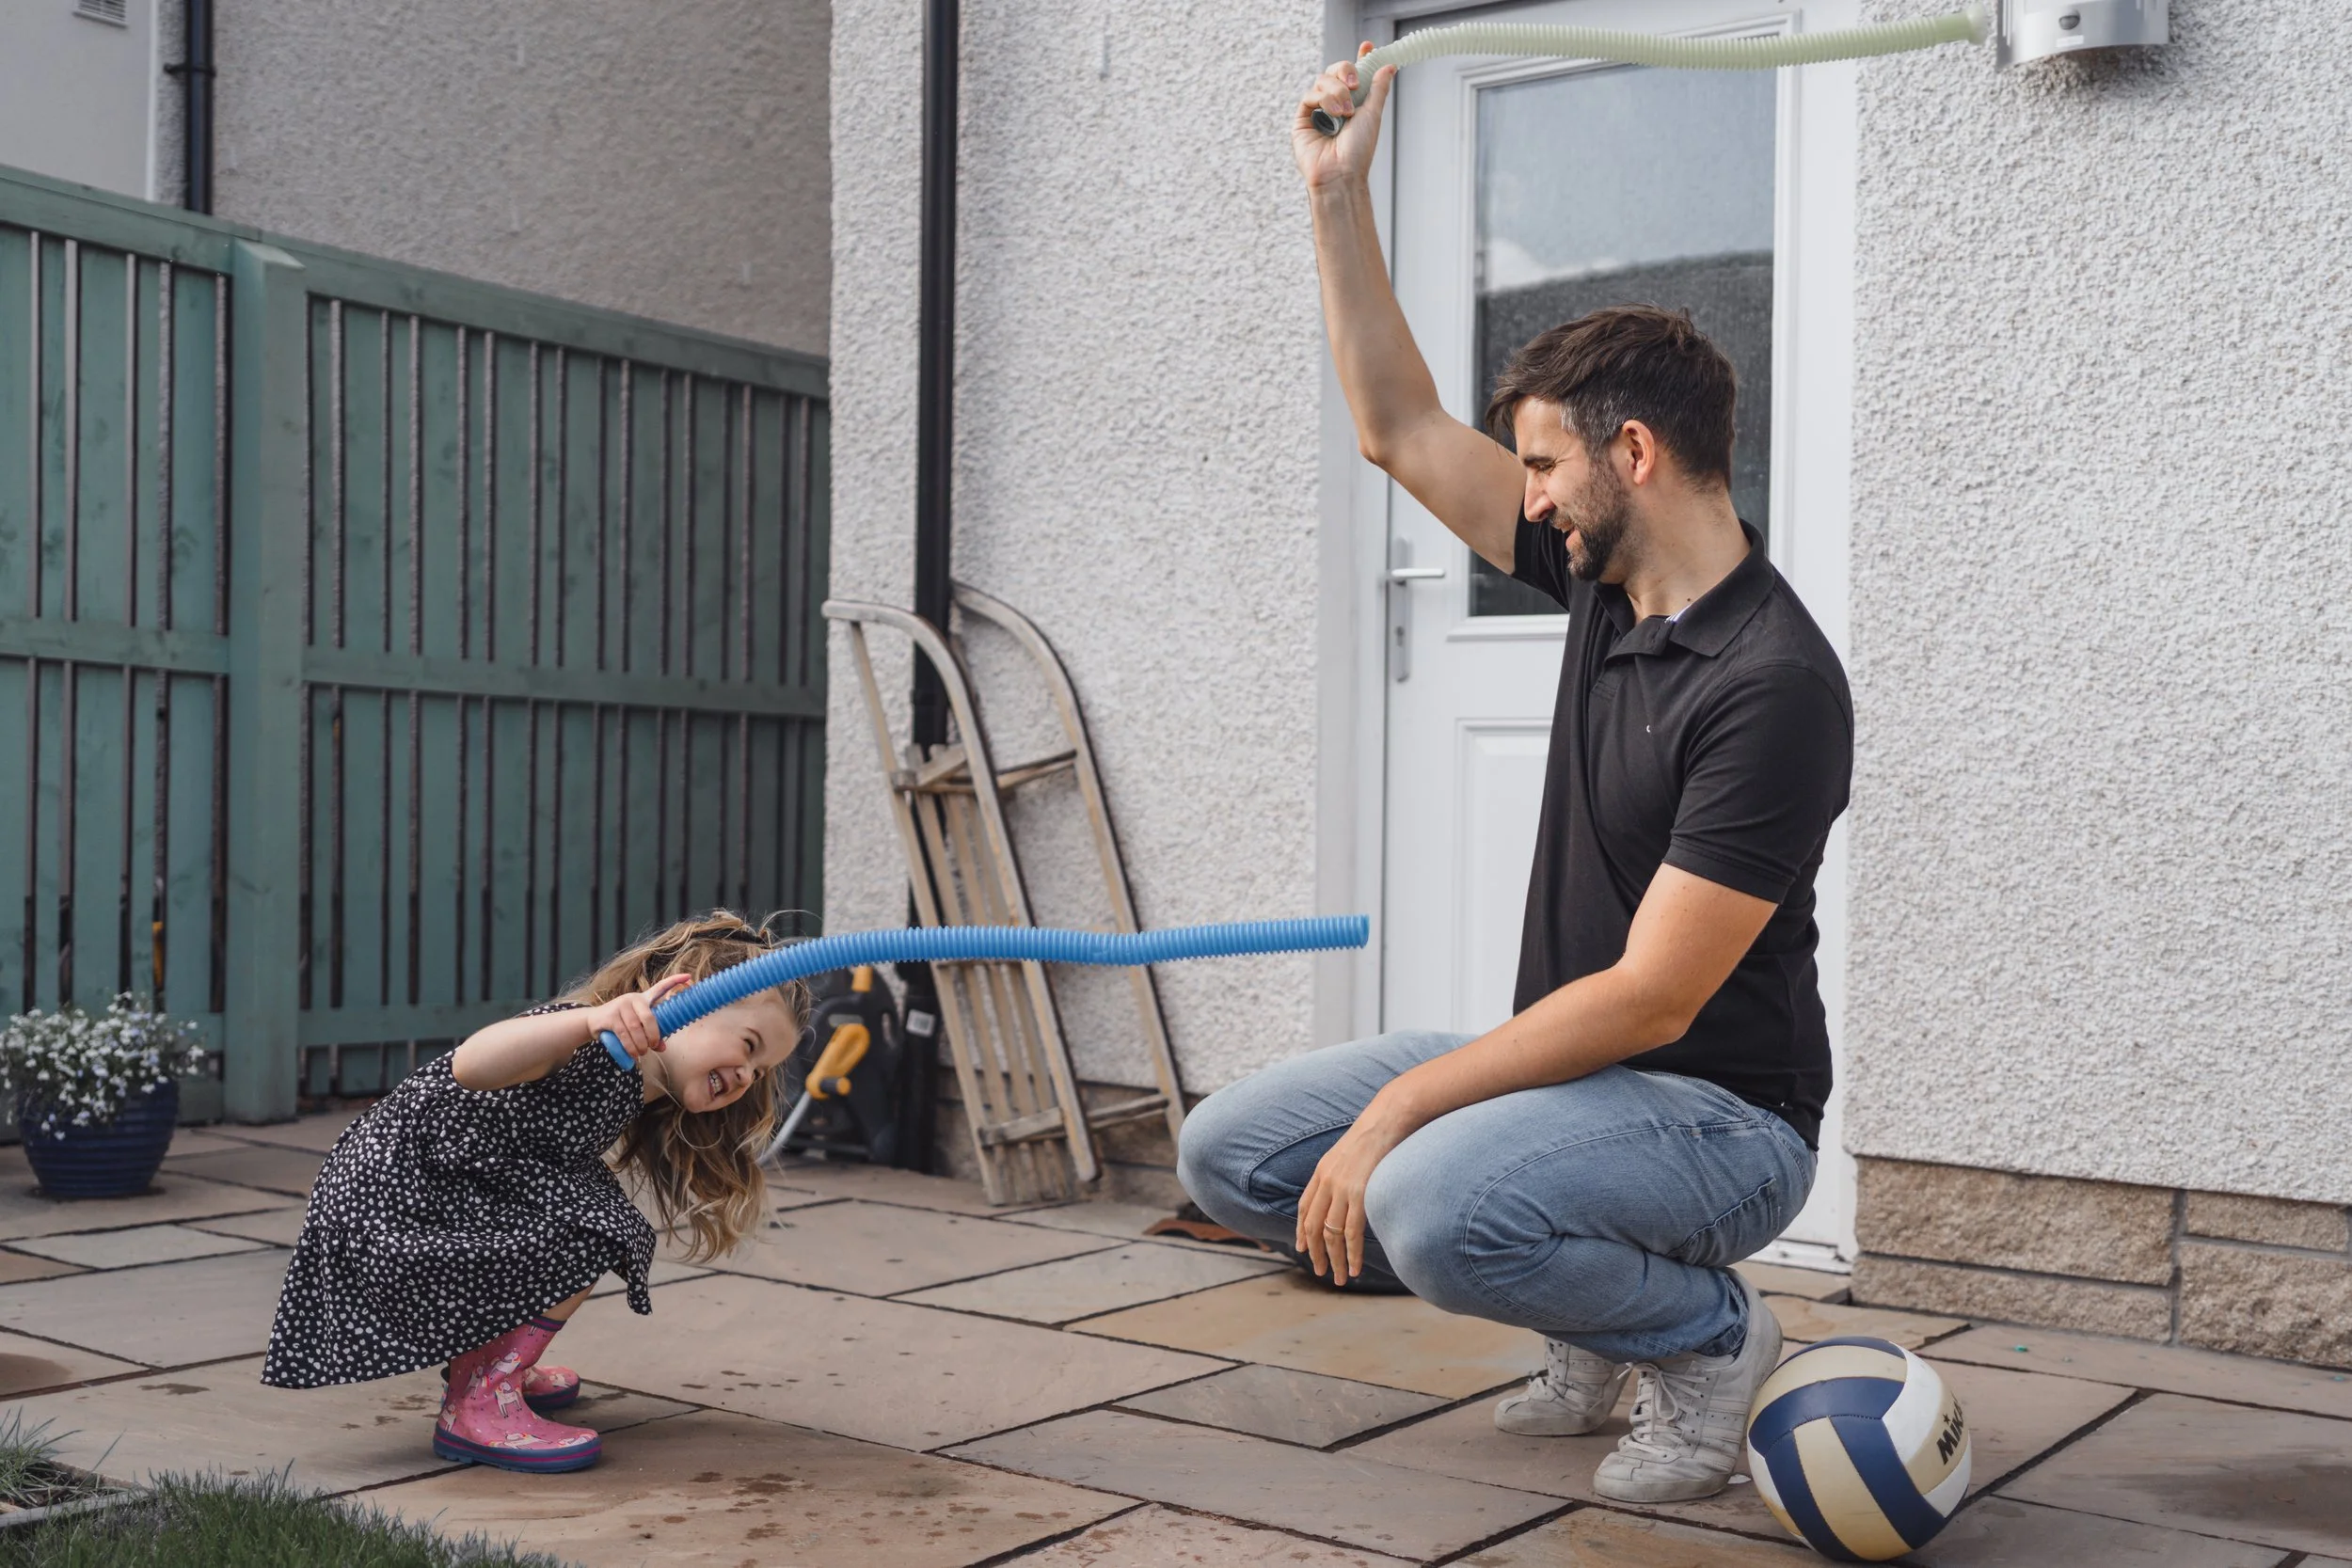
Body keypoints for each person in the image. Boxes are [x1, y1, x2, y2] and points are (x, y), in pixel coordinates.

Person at [1177, 49, 1853, 1504]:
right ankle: (1586, 1316)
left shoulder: (1774, 685)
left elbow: (1655, 999)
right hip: (1593, 1079)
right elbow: (1399, 430)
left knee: (1418, 1192)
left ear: (1633, 449)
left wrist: (1396, 1111)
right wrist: (1334, 197)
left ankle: (1706, 1335)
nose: (1527, 495)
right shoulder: (1607, 585)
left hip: (1724, 1120)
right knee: (1233, 1150)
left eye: (1543, 465)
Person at [262, 912, 807, 1473]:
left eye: (761, 1070)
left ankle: (494, 1362)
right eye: (749, 1046)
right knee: (592, 1227)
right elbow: (472, 1063)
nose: (747, 1075)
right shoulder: (586, 1031)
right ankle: (479, 1400)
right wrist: (589, 1020)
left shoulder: (639, 1079)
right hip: (398, 1195)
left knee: (589, 1207)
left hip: (453, 1187)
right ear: (688, 997)